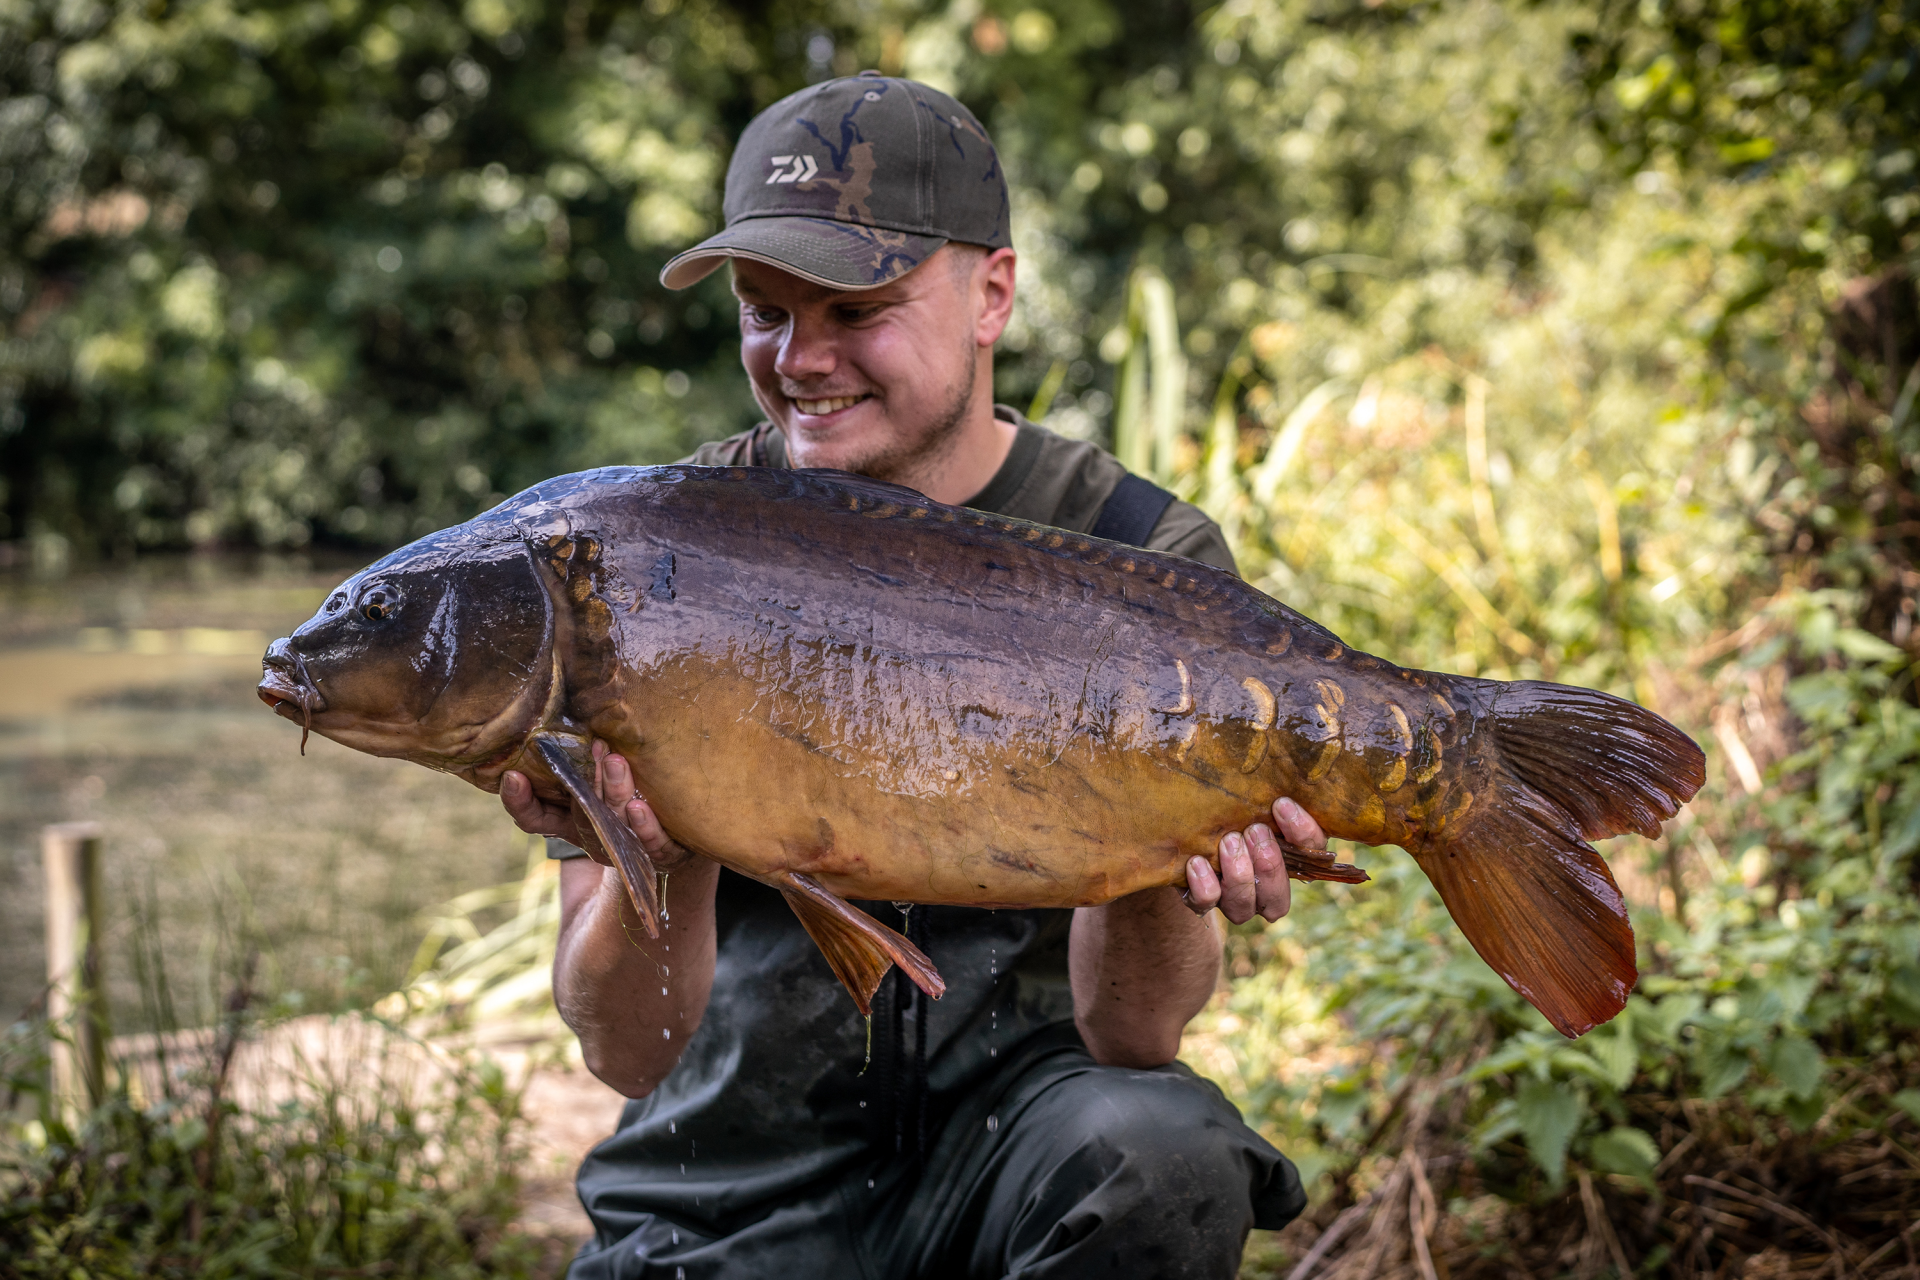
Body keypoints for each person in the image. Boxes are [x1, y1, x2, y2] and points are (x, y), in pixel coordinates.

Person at [498, 73, 1328, 1279]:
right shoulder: (644, 554)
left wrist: (1172, 845)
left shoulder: (1142, 556)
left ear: (991, 291)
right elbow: (628, 1054)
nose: (802, 358)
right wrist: (655, 848)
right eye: (764, 310)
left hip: (1025, 1147)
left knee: (1166, 1151)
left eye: (854, 308)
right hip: (730, 1183)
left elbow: (1135, 1032)